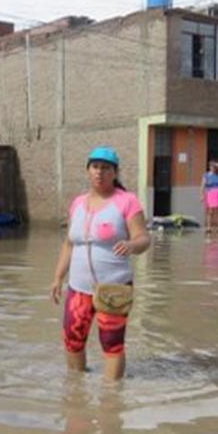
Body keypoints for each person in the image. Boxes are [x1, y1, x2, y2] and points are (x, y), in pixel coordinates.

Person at [49, 147, 150, 380]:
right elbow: (69, 244)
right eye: (95, 167)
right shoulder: (77, 203)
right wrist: (57, 278)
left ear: (114, 172)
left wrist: (132, 245)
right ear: (87, 171)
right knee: (72, 340)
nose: (99, 173)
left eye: (106, 168)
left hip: (114, 288)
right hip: (78, 288)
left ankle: (112, 399)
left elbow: (144, 238)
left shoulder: (127, 201)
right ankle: (77, 390)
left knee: (112, 343)